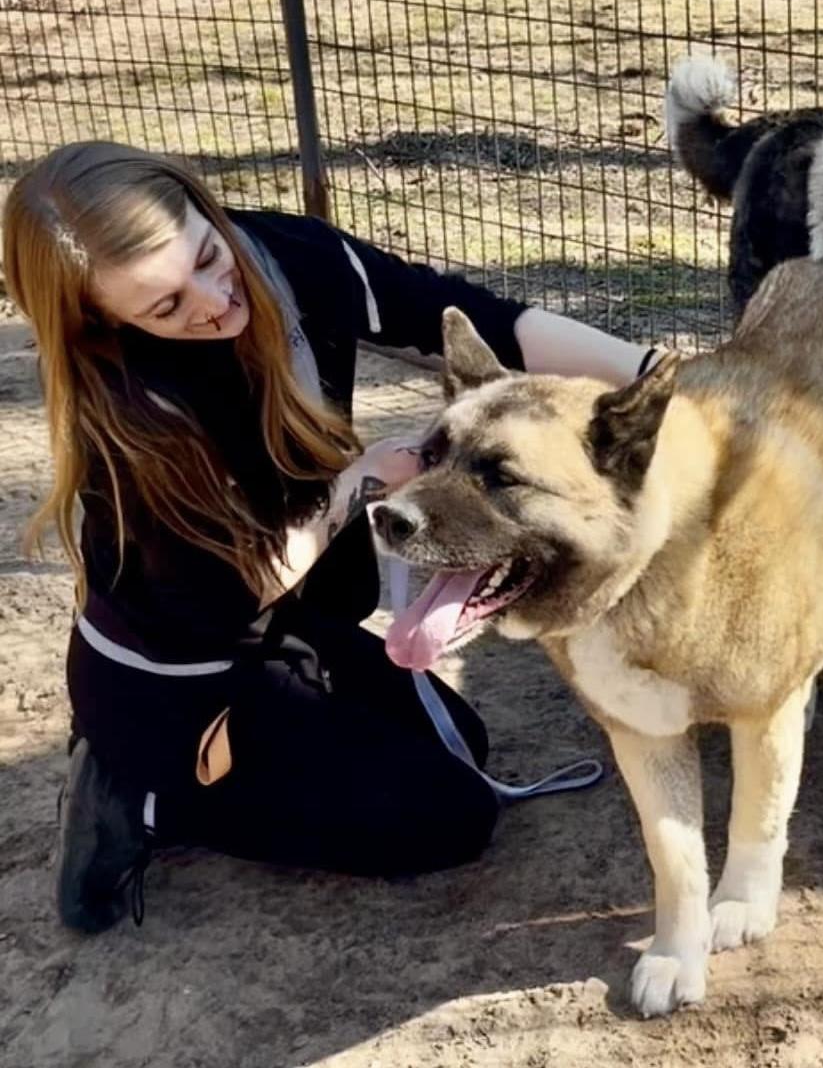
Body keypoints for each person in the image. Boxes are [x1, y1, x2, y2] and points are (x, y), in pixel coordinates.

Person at [3, 140, 656, 933]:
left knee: (464, 744)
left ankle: (269, 722)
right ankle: (146, 794)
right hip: (178, 676)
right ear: (101, 325)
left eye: (209, 256)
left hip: (285, 624)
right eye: (164, 307)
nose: (214, 300)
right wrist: (358, 484)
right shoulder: (130, 408)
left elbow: (473, 316)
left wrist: (660, 374)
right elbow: (224, 597)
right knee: (451, 819)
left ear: (207, 211)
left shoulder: (289, 257)